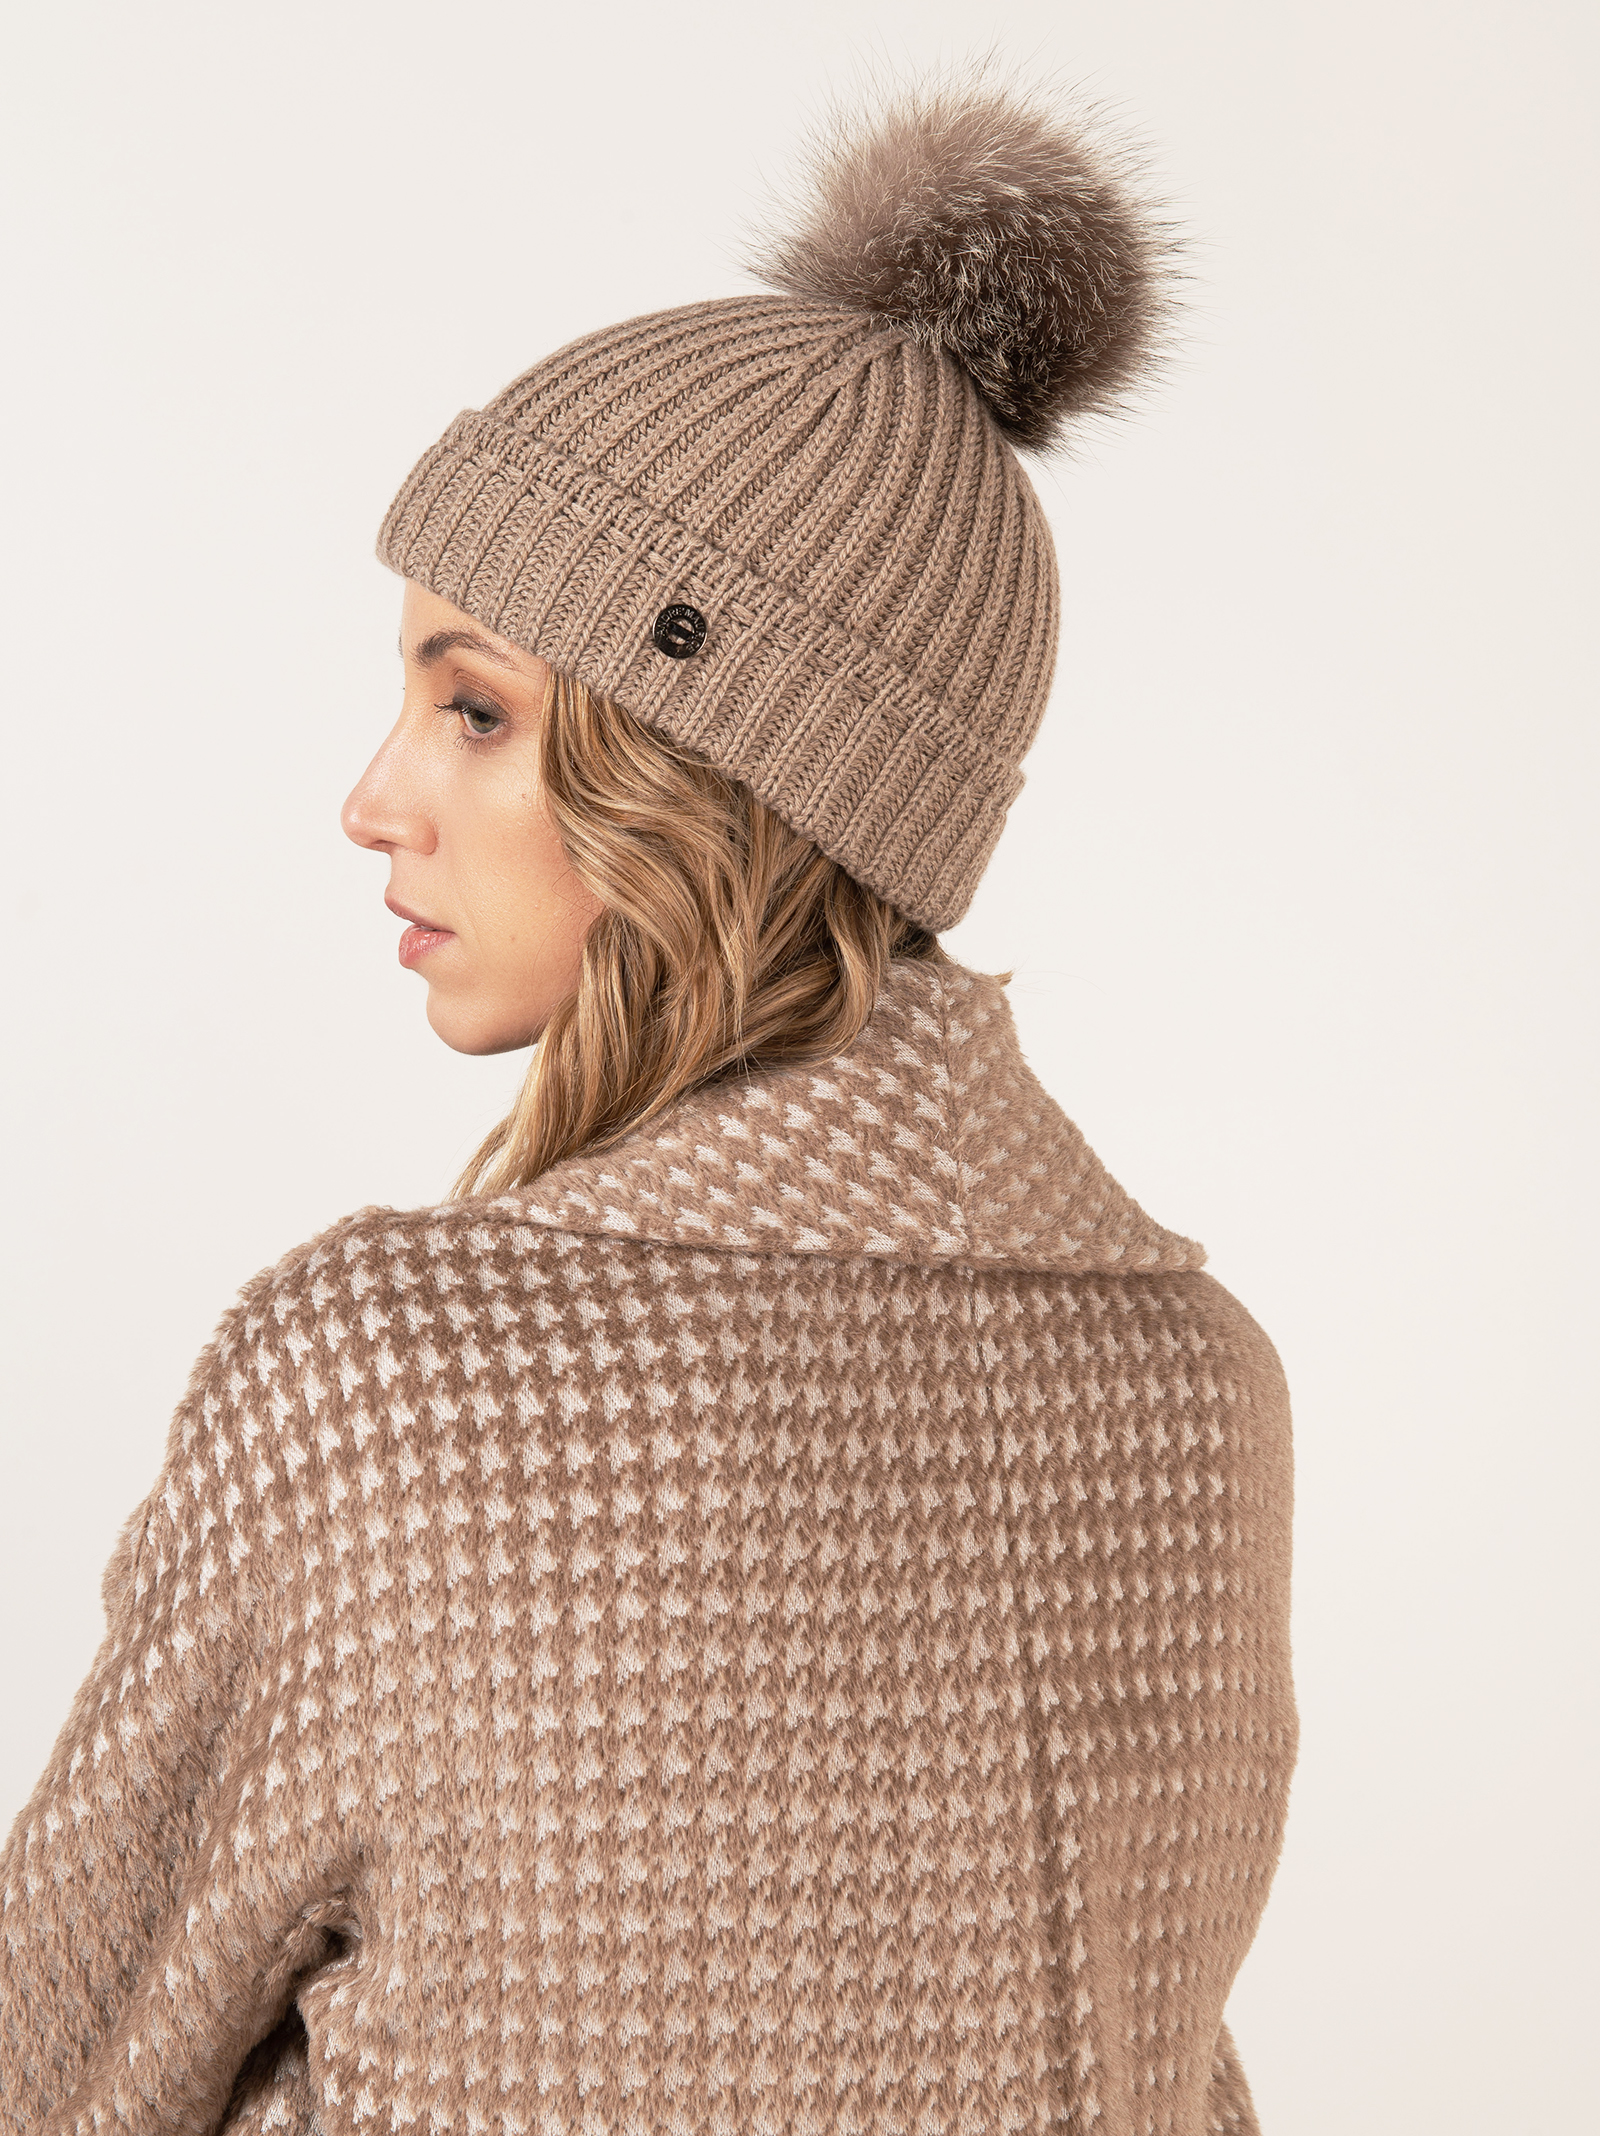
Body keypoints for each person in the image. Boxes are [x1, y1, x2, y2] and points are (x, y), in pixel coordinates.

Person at [0, 77, 1298, 2136]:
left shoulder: (391, 1377)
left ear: (697, 774)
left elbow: (63, 2061)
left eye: (475, 707)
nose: (375, 798)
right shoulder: (1201, 1390)